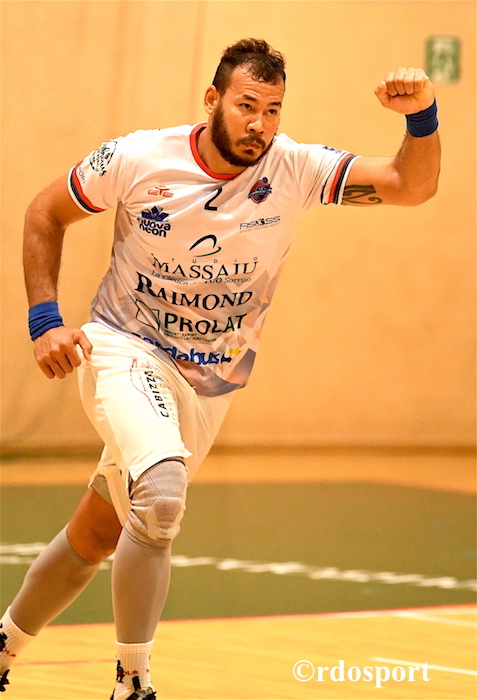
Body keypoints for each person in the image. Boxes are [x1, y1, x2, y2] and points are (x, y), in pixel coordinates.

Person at [0, 38, 440, 700]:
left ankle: (3, 644)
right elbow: (45, 212)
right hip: (124, 347)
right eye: (246, 105)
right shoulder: (138, 158)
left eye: (272, 110)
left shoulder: (294, 169)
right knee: (162, 496)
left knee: (100, 530)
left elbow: (411, 186)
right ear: (212, 100)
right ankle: (133, 683)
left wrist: (422, 115)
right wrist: (44, 321)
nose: (259, 123)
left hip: (210, 383)